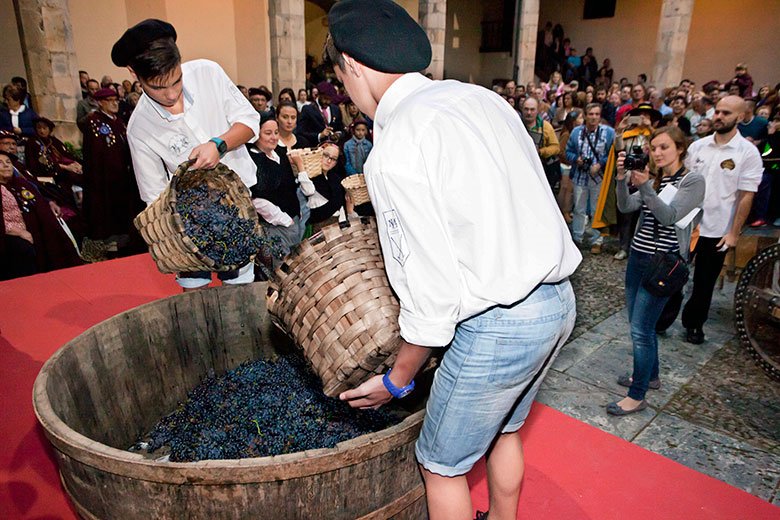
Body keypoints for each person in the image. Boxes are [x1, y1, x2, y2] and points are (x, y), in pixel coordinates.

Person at [325, 2, 581, 519]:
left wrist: (397, 379)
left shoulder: (395, 148)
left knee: (441, 465)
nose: (348, 99)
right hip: (557, 304)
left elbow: (431, 295)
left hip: (500, 325)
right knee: (505, 427)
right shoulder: (480, 98)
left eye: (341, 81)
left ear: (351, 65)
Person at [113, 18, 263, 291]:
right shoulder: (140, 128)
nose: (171, 94)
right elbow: (153, 195)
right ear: (134, 74)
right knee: (194, 298)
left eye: (177, 80)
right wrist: (184, 232)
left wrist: (219, 144)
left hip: (237, 206)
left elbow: (250, 123)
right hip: (187, 224)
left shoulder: (209, 73)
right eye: (158, 87)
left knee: (241, 289)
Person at [609, 126, 705, 415]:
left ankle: (636, 395)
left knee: (641, 330)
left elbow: (670, 216)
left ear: (680, 148)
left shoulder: (693, 181)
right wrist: (621, 178)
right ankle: (649, 376)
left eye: (664, 147)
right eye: (653, 148)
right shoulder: (657, 178)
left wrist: (646, 186)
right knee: (641, 325)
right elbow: (625, 207)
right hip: (638, 257)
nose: (657, 153)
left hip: (663, 263)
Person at [680, 96, 763, 344]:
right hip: (688, 223)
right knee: (673, 272)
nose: (719, 117)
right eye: (717, 112)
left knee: (704, 282)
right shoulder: (699, 147)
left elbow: (746, 196)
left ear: (739, 117)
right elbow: (684, 181)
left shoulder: (747, 153)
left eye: (726, 113)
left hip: (717, 228)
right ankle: (663, 317)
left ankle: (694, 324)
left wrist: (734, 233)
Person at [594, 103, 661, 260]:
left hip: (650, 180)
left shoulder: (655, 135)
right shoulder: (628, 134)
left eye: (647, 115)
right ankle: (624, 247)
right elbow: (618, 150)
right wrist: (620, 130)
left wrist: (650, 129)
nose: (643, 118)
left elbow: (659, 147)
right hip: (631, 180)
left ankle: (641, 248)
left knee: (646, 217)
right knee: (626, 215)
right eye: (640, 115)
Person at [0, 151, 82, 279]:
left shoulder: (22, 183)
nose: (6, 166)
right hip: (13, 235)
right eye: (0, 163)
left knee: (55, 232)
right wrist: (20, 232)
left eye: (8, 162)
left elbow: (39, 200)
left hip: (35, 230)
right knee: (23, 248)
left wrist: (48, 203)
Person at [81, 88, 144, 256]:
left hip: (124, 174)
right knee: (108, 209)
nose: (115, 103)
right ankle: (110, 242)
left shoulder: (118, 121)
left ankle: (125, 239)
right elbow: (95, 153)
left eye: (116, 99)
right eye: (110, 100)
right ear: (100, 102)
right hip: (105, 176)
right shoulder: (95, 122)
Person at [246, 112, 302, 266]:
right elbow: (255, 198)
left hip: (291, 222)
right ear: (256, 134)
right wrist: (283, 220)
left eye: (276, 133)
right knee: (280, 272)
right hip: (274, 227)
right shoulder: (252, 159)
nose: (274, 137)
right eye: (268, 133)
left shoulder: (279, 154)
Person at [566, 103, 615, 253]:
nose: (593, 117)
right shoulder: (576, 132)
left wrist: (600, 164)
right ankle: (577, 237)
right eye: (591, 114)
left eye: (596, 114)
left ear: (600, 116)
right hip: (580, 176)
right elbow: (568, 151)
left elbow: (613, 153)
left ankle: (597, 240)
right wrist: (576, 159)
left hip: (599, 178)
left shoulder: (608, 132)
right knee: (579, 208)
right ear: (586, 115)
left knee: (596, 209)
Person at [296, 142, 351, 225]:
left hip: (337, 223)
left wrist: (344, 222)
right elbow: (309, 191)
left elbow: (340, 205)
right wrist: (301, 167)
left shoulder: (335, 179)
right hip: (318, 225)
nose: (329, 161)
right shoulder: (307, 176)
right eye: (325, 155)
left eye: (333, 159)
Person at [522, 97, 560, 189]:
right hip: (522, 168)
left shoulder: (545, 126)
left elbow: (556, 147)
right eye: (526, 109)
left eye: (532, 109)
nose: (529, 112)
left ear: (538, 110)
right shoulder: (516, 125)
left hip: (541, 169)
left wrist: (541, 151)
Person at [297, 80, 344, 144]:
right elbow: (300, 132)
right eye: (325, 99)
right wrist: (320, 135)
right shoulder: (308, 109)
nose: (327, 102)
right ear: (319, 95)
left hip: (333, 148)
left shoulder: (335, 109)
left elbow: (341, 128)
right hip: (315, 147)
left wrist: (338, 134)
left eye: (330, 99)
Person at [557, 109, 583, 223]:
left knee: (569, 190)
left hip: (571, 165)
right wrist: (571, 160)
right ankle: (564, 212)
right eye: (580, 118)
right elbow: (561, 151)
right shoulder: (567, 134)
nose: (583, 120)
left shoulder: (576, 133)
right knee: (566, 190)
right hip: (566, 166)